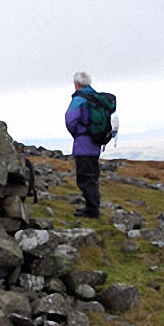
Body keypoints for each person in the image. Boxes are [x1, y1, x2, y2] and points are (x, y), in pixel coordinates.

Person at [65, 72, 101, 218]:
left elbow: (70, 120)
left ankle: (92, 210)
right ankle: (92, 206)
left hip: (83, 144)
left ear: (76, 84)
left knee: (84, 178)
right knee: (93, 175)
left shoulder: (79, 99)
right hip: (96, 144)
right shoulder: (98, 99)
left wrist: (78, 134)